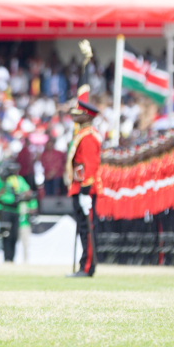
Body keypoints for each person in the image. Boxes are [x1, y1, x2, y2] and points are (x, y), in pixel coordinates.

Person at [66, 84, 102, 277]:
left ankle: (87, 266)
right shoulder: (81, 134)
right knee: (83, 227)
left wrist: (85, 191)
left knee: (87, 228)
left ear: (87, 116)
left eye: (78, 113)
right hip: (78, 187)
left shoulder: (88, 136)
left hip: (84, 189)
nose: (74, 115)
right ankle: (84, 264)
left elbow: (90, 164)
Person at [0, 160, 33, 262]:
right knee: (3, 237)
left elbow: (28, 192)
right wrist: (1, 192)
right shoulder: (0, 180)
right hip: (4, 210)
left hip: (16, 210)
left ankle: (11, 259)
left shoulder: (18, 179)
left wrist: (22, 195)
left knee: (14, 236)